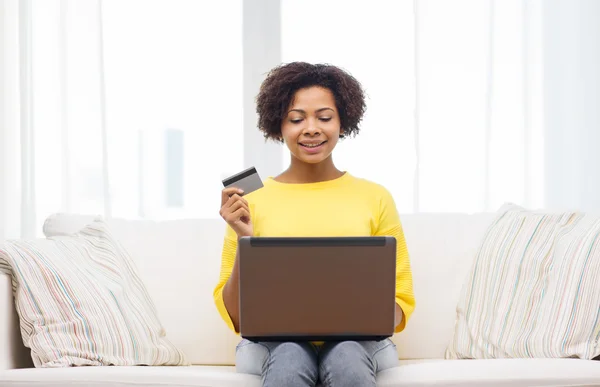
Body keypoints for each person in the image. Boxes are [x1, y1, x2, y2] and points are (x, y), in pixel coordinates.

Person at [213, 62, 415, 387]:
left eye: (324, 117)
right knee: (291, 354)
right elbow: (237, 317)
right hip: (273, 346)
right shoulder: (252, 200)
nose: (311, 128)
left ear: (343, 122)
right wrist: (244, 240)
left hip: (361, 345)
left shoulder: (375, 196)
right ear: (278, 126)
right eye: (296, 119)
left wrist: (363, 313)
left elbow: (401, 302)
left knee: (345, 353)